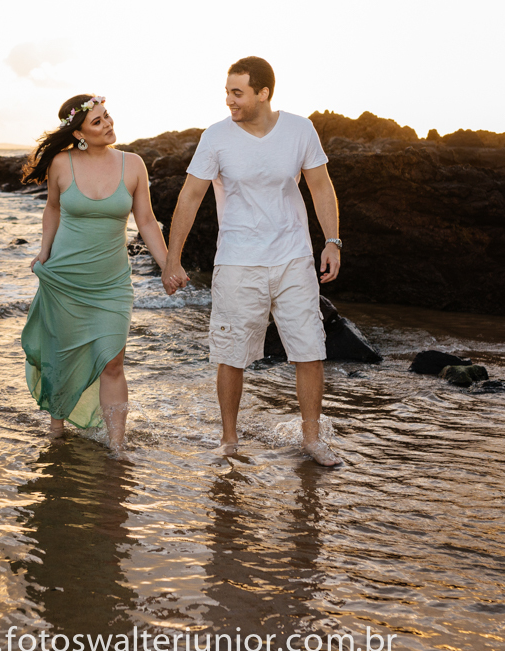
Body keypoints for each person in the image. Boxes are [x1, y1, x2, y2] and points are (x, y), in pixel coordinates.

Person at [161, 57, 343, 467]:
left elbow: (321, 187)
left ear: (263, 93)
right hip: (238, 260)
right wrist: (172, 258)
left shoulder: (300, 129)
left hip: (293, 256)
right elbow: (190, 197)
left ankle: (312, 440)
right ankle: (229, 439)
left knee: (309, 348)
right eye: (227, 91)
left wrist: (332, 242)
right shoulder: (216, 137)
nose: (229, 100)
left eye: (237, 92)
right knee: (232, 354)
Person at [21, 94, 170, 452]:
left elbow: (146, 221)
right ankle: (56, 434)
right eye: (98, 122)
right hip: (66, 278)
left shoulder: (133, 164)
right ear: (80, 134)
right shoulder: (62, 163)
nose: (108, 125)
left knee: (113, 359)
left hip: (111, 284)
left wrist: (169, 267)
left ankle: (117, 446)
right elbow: (53, 210)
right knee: (61, 356)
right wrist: (44, 252)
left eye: (107, 116)